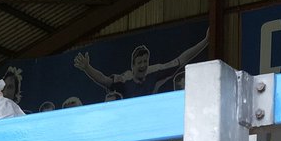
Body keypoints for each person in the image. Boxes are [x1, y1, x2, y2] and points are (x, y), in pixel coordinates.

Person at [72, 37, 207, 99]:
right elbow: (104, 80)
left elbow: (181, 60)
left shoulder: (156, 71)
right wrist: (87, 68)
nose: (143, 65)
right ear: (133, 65)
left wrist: (205, 41)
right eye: (139, 62)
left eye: (145, 61)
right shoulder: (124, 80)